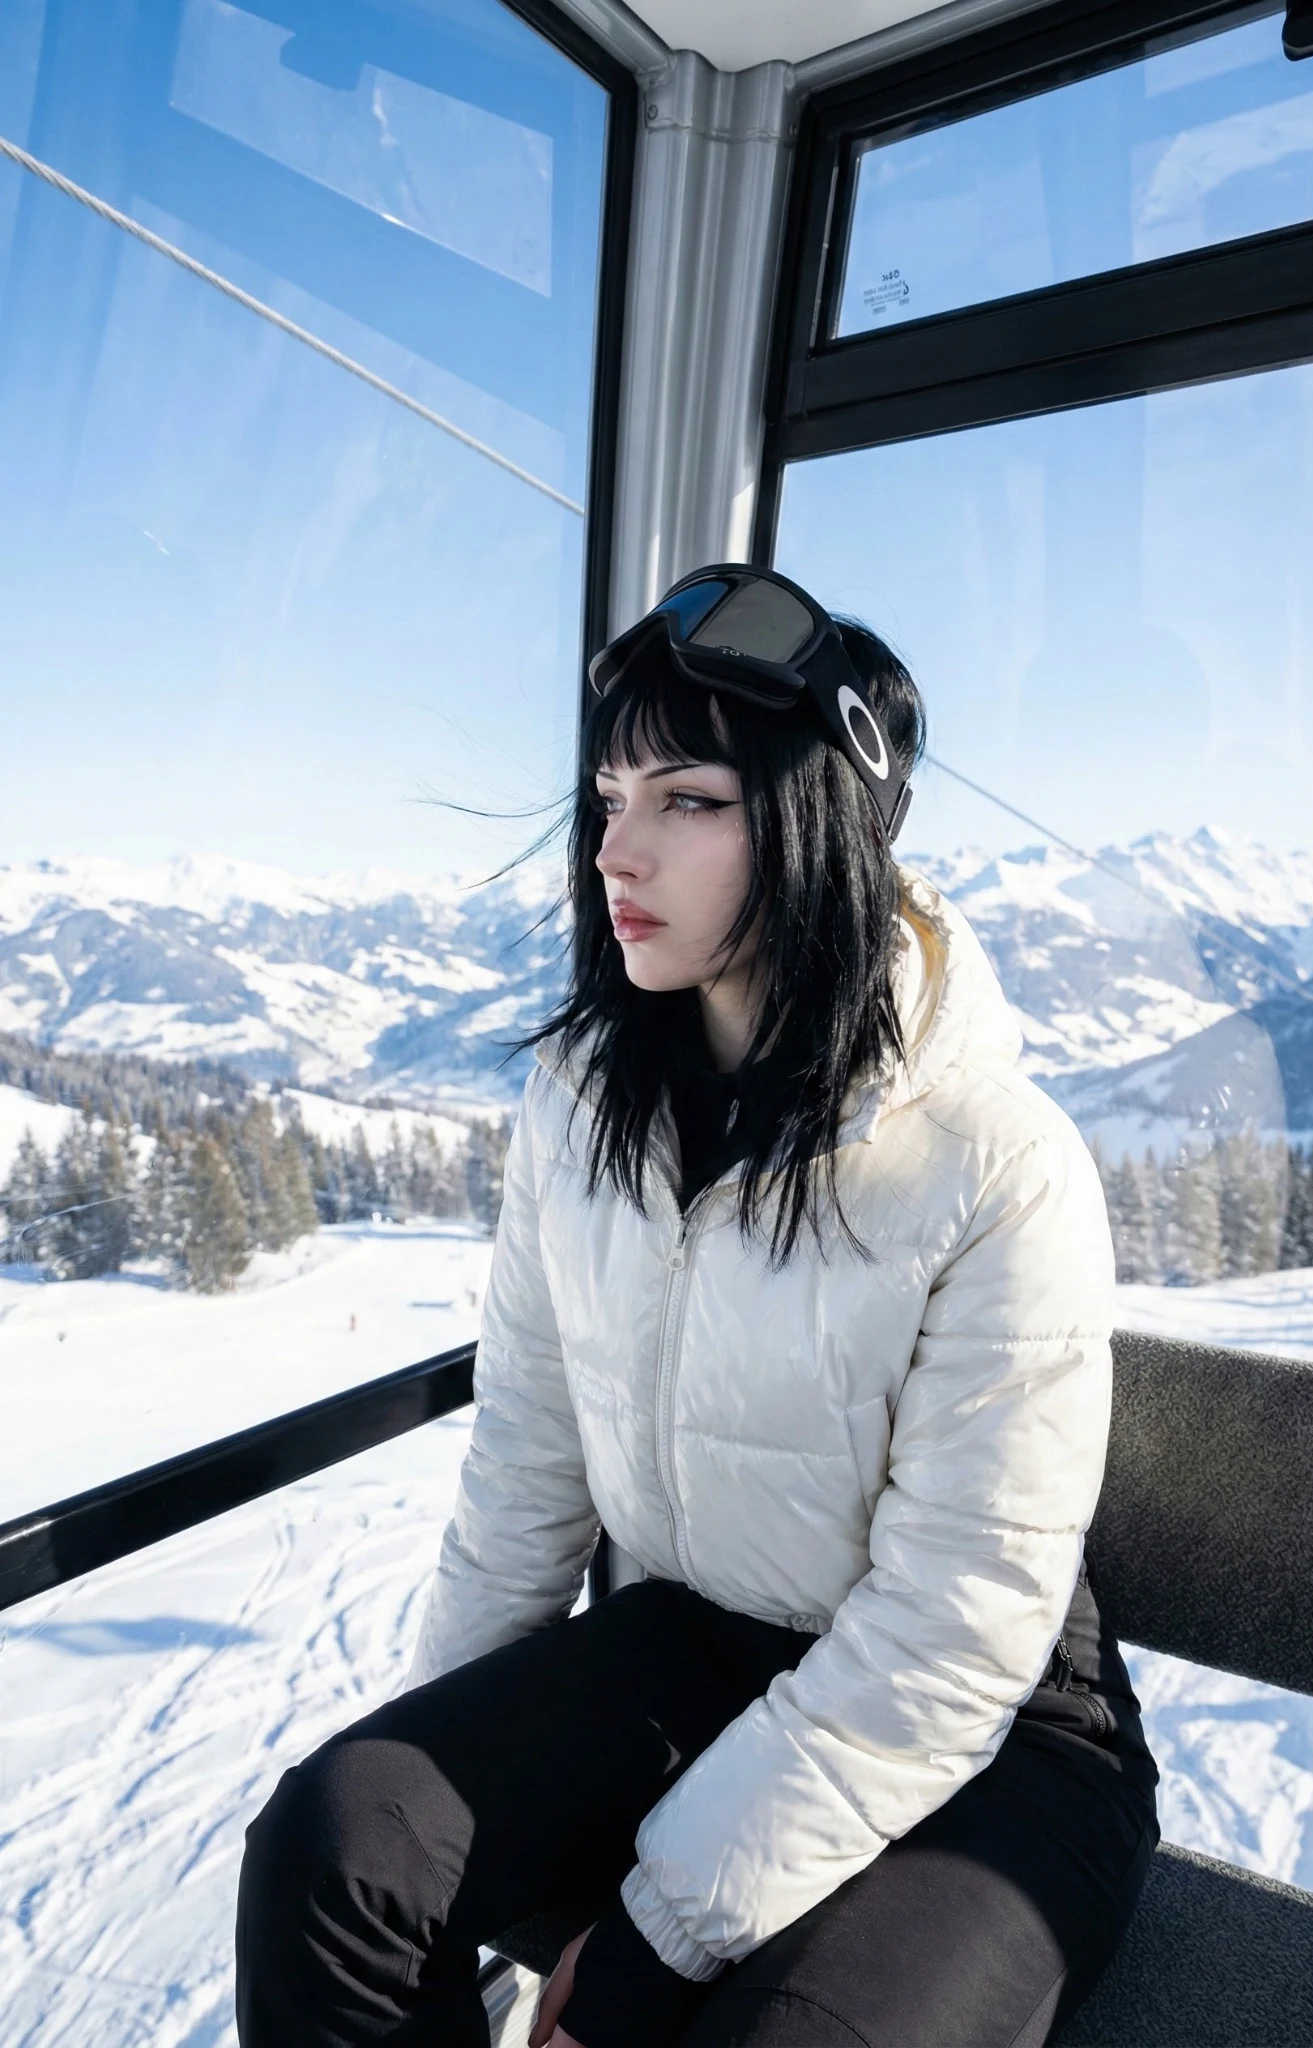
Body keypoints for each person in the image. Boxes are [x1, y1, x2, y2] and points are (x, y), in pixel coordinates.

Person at [235, 566, 1159, 2048]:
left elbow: (953, 1633)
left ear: (819, 824)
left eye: (686, 799)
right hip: (695, 1653)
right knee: (335, 1839)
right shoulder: (583, 1107)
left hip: (987, 1742)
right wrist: (444, 1775)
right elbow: (526, 1463)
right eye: (608, 796)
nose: (618, 849)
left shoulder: (996, 1163)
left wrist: (659, 1934)